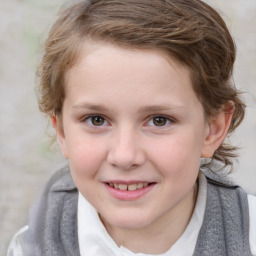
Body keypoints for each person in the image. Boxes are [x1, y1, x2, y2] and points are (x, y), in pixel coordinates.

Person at [8, 0, 256, 255]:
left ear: (212, 129)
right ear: (61, 132)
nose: (125, 156)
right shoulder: (29, 248)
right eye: (97, 119)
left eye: (159, 120)